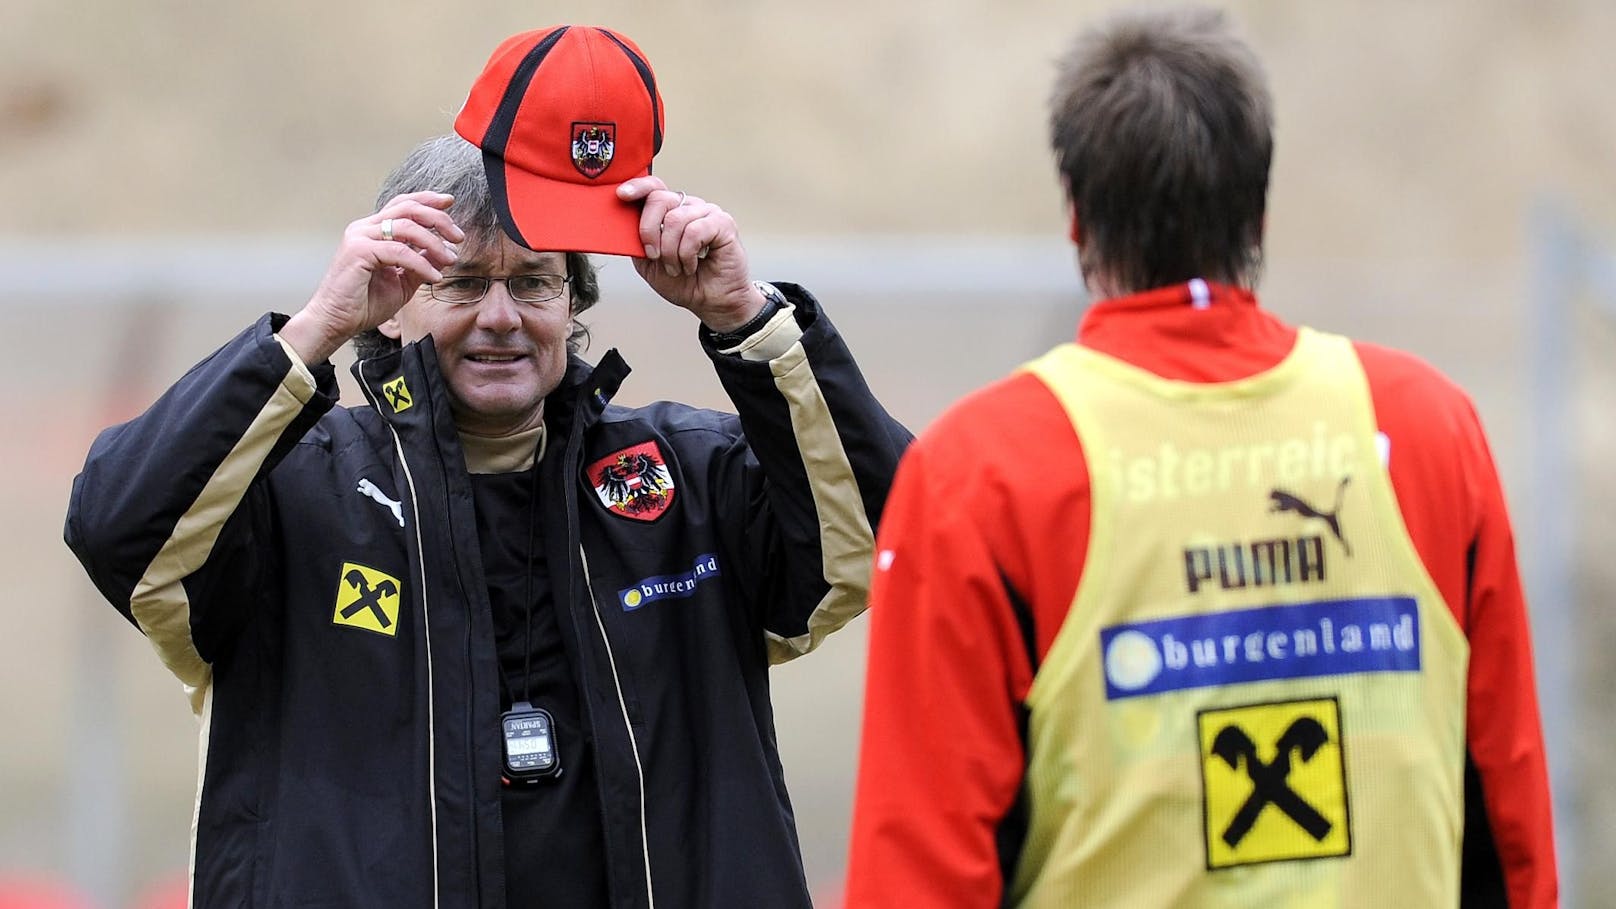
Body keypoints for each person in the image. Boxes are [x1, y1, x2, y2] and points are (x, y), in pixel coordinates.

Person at [65, 25, 908, 909]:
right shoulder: (288, 495)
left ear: (573, 302)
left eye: (535, 281)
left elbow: (890, 536)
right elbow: (123, 531)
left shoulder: (692, 480)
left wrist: (747, 317)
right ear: (392, 303)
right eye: (462, 281)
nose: (501, 315)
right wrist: (316, 327)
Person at [844, 7, 1556, 908]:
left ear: (1076, 220)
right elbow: (1511, 828)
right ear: (1258, 208)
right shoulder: (1426, 427)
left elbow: (920, 872)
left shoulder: (980, 471)